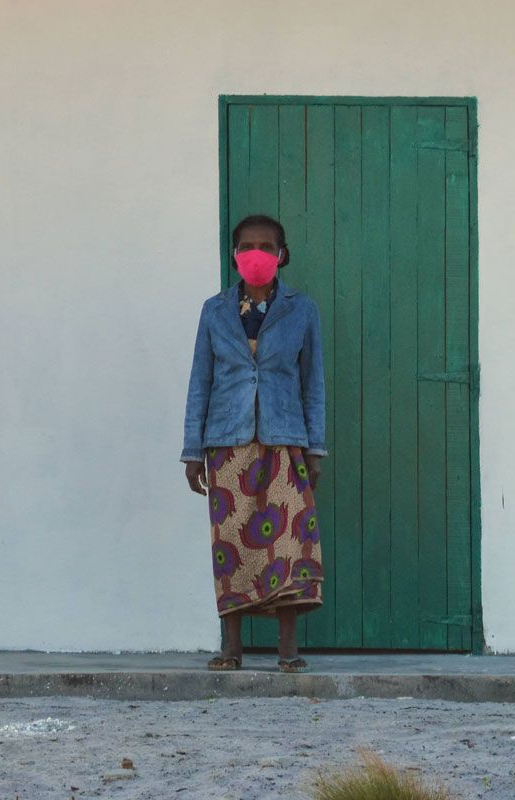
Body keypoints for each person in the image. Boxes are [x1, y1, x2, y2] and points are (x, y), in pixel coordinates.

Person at [182, 214, 325, 673]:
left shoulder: (302, 310)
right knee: (232, 546)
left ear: (282, 254)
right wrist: (192, 452)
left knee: (288, 545)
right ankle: (232, 648)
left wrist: (315, 448)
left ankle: (287, 649)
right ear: (234, 254)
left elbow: (313, 384)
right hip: (227, 441)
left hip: (284, 441)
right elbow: (200, 383)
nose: (256, 253)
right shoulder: (215, 310)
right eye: (247, 246)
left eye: (266, 245)